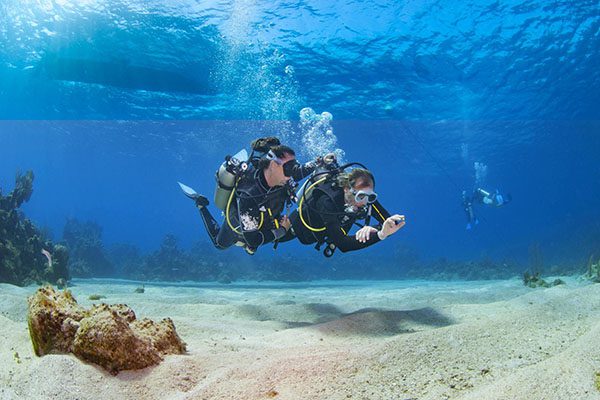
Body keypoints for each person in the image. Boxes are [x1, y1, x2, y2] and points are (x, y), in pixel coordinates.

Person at [186, 139, 332, 254]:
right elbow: (254, 239)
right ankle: (200, 205)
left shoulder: (281, 176)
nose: (291, 174)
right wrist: (282, 230)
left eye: (292, 167)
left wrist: (320, 162)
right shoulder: (249, 196)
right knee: (220, 245)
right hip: (238, 221)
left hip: (263, 218)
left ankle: (249, 246)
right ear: (274, 165)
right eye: (288, 169)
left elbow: (299, 172)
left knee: (251, 245)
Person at [289, 167, 405, 256]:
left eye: (370, 197)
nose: (364, 202)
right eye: (360, 196)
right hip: (299, 229)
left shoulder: (367, 198)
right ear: (346, 189)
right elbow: (344, 245)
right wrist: (380, 235)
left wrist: (375, 230)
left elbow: (389, 224)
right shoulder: (326, 201)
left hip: (328, 234)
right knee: (276, 236)